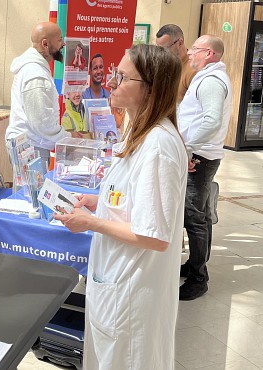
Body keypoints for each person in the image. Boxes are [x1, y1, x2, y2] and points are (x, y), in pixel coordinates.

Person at [54, 44, 187, 369]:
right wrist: (98, 202)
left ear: (149, 90)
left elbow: (155, 235)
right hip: (116, 282)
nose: (111, 82)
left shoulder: (158, 146)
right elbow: (136, 201)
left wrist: (91, 222)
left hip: (131, 293)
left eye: (123, 77)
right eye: (115, 74)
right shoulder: (139, 135)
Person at [177, 35, 232, 301]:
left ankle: (199, 278)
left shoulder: (211, 81)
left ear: (209, 53)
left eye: (194, 50)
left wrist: (188, 148)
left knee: (194, 215)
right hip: (200, 153)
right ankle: (195, 265)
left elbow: (211, 120)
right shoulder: (208, 77)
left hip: (199, 156)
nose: (189, 54)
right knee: (200, 213)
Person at [5, 22, 75, 167]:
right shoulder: (35, 74)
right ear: (45, 44)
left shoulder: (37, 69)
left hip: (32, 144)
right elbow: (42, 122)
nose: (63, 44)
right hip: (30, 147)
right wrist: (68, 138)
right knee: (31, 191)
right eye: (59, 40)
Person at [155, 23, 194, 102]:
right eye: (159, 49)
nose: (162, 53)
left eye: (165, 48)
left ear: (180, 42)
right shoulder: (163, 67)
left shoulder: (193, 69)